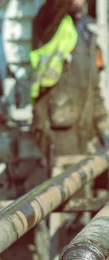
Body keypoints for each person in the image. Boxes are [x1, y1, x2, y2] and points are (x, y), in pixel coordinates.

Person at [31, 0, 109, 159]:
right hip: (58, 127)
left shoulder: (86, 32)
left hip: (84, 126)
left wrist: (103, 121)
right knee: (64, 179)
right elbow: (54, 8)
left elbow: (93, 86)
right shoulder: (49, 24)